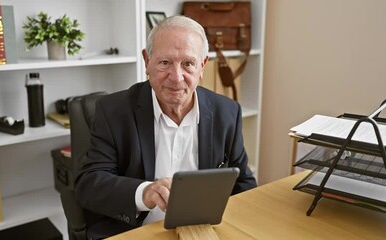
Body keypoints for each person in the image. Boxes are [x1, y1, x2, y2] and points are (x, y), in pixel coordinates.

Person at [74, 15, 257, 239]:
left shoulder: (227, 113)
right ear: (147, 61)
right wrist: (145, 193)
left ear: (203, 66)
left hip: (201, 231)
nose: (176, 77)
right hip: (136, 231)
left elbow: (244, 183)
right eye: (164, 63)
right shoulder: (113, 111)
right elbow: (89, 184)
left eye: (188, 63)